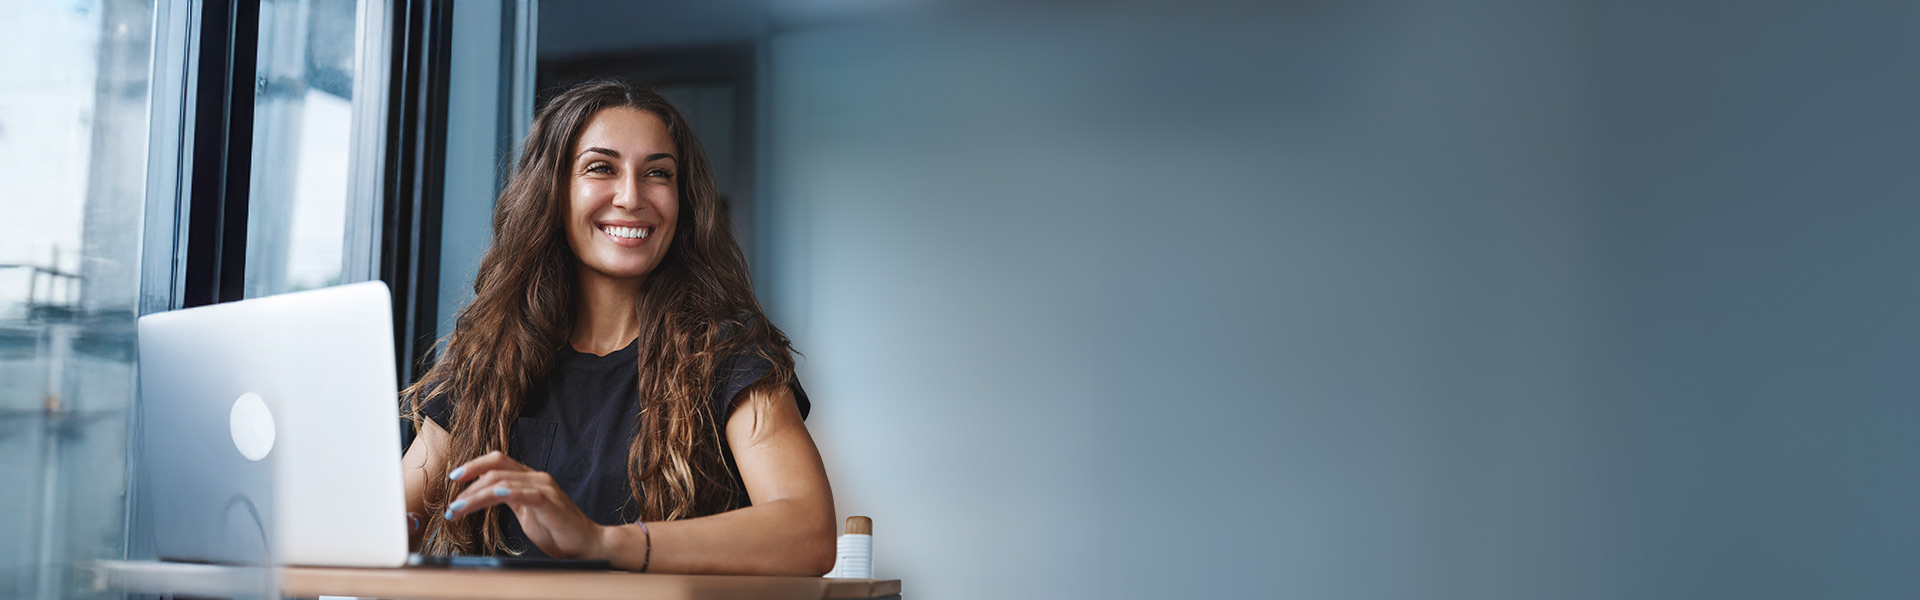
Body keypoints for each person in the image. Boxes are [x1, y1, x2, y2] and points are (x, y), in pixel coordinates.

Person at [399, 79, 835, 575]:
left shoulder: (727, 351)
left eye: (658, 174)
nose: (631, 197)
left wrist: (601, 540)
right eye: (601, 168)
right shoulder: (492, 358)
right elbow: (387, 518)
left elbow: (808, 532)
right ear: (553, 191)